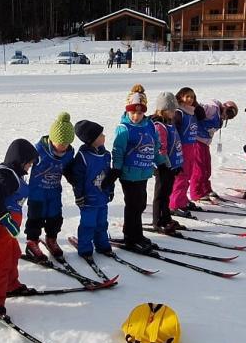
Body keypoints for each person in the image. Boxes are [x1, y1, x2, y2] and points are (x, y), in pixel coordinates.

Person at [0, 138, 40, 317]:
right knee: (2, 261)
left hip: (6, 226)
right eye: (28, 163)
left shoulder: (13, 174)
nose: (29, 167)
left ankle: (11, 285)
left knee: (13, 254)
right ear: (19, 161)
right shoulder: (6, 175)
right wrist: (6, 220)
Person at [112, 84, 166, 248]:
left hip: (144, 172)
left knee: (141, 204)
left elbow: (155, 146)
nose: (136, 116)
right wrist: (116, 170)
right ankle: (131, 236)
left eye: (140, 112)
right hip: (128, 173)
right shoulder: (124, 128)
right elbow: (118, 151)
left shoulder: (149, 125)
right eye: (133, 112)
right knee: (133, 205)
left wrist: (161, 163)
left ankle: (137, 234)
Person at [23, 112, 76, 262]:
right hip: (37, 193)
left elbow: (68, 168)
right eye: (60, 144)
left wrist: (73, 179)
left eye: (66, 144)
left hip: (54, 192)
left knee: (55, 217)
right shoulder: (39, 151)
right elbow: (23, 163)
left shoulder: (68, 153)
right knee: (35, 218)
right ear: (52, 139)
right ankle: (31, 242)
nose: (63, 148)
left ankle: (51, 239)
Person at [66, 119, 116, 258]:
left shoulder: (106, 155)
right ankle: (85, 247)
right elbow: (77, 179)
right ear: (92, 139)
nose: (104, 137)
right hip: (88, 199)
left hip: (102, 198)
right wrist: (79, 195)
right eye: (101, 135)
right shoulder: (83, 157)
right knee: (88, 225)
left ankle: (102, 244)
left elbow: (109, 174)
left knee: (102, 223)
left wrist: (111, 189)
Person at [149, 92, 186, 234]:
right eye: (170, 110)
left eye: (174, 110)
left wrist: (177, 164)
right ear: (162, 110)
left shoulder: (169, 123)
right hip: (163, 166)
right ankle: (158, 221)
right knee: (161, 194)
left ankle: (166, 218)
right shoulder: (159, 126)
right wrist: (166, 164)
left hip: (172, 166)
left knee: (167, 193)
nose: (173, 113)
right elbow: (161, 149)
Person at [194, 98, 240, 203]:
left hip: (204, 142)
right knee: (199, 169)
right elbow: (197, 110)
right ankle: (196, 192)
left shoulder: (219, 115)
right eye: (228, 112)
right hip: (196, 141)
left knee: (207, 168)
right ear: (224, 107)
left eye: (231, 116)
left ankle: (205, 189)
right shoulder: (212, 108)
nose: (227, 116)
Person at [170, 87, 204, 216]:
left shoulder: (192, 111)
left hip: (191, 147)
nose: (190, 99)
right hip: (182, 148)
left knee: (188, 176)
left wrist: (195, 104)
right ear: (180, 97)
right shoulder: (179, 112)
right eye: (187, 97)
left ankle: (182, 200)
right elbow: (175, 130)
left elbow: (202, 115)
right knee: (181, 177)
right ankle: (175, 204)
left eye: (192, 97)